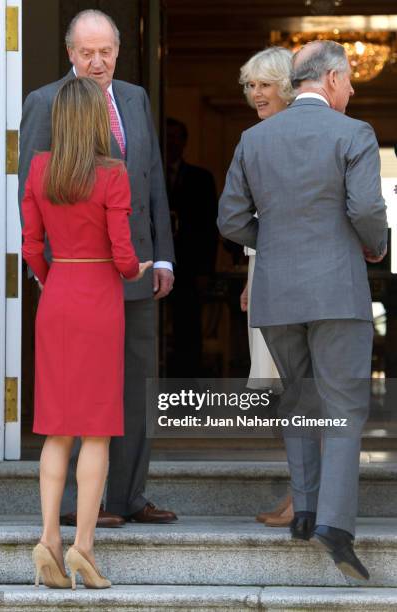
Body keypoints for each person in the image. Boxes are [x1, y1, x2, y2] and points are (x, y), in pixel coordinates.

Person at [218, 40, 387, 580]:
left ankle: (305, 510)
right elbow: (365, 209)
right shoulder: (354, 133)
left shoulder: (253, 137)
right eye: (351, 80)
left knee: (300, 399)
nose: (354, 90)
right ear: (332, 80)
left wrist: (274, 247)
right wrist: (375, 245)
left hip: (277, 293)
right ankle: (334, 527)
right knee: (341, 405)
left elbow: (230, 219)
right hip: (337, 289)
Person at [18, 9, 177, 528]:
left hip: (134, 271)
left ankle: (127, 496)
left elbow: (150, 182)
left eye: (106, 51)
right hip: (82, 278)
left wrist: (164, 256)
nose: (97, 61)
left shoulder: (135, 97)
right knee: (75, 390)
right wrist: (50, 271)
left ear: (117, 51)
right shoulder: (46, 103)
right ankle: (72, 507)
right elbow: (33, 192)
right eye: (86, 52)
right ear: (70, 54)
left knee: (135, 384)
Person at [22, 77, 152, 588]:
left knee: (57, 429)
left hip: (57, 297)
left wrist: (56, 282)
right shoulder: (112, 174)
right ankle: (84, 548)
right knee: (96, 430)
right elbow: (123, 255)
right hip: (99, 297)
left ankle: (48, 540)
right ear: (99, 121)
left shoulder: (38, 169)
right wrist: (136, 269)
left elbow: (32, 248)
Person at [237, 47, 295, 528]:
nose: (256, 93)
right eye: (251, 85)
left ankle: (305, 496)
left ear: (288, 86)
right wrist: (252, 275)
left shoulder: (295, 136)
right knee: (284, 390)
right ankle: (300, 490)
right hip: (266, 270)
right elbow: (251, 215)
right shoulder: (254, 137)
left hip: (292, 274)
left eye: (265, 84)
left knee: (301, 389)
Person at [166, 118, 218, 376]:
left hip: (189, 266)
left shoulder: (201, 178)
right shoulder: (147, 176)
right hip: (153, 264)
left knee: (188, 328)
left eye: (177, 136)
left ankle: (186, 391)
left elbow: (209, 227)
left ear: (185, 141)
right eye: (168, 136)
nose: (172, 142)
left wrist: (205, 270)